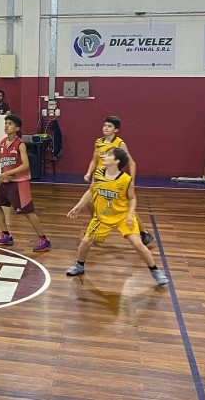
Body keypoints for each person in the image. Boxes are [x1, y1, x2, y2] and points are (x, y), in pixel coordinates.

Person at [66, 147, 169, 286]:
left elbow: (132, 199)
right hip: (102, 217)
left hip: (123, 216)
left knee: (138, 244)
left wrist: (130, 215)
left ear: (116, 161)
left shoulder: (126, 180)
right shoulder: (98, 173)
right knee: (85, 242)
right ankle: (79, 266)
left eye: (109, 155)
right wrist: (78, 207)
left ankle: (155, 271)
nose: (105, 156)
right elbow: (91, 191)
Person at [83, 116, 154, 245]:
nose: (106, 128)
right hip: (99, 179)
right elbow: (94, 160)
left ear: (116, 129)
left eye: (109, 126)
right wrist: (88, 172)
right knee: (89, 203)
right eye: (104, 125)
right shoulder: (98, 142)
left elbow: (132, 163)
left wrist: (131, 180)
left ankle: (144, 232)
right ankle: (97, 225)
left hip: (115, 180)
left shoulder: (120, 144)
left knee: (125, 207)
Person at [0, 114, 51, 252]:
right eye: (5, 123)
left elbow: (26, 165)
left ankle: (44, 239)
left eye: (10, 123)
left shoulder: (20, 144)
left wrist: (6, 173)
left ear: (17, 128)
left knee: (27, 212)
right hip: (7, 182)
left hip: (19, 182)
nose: (6, 126)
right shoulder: (3, 142)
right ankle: (6, 235)